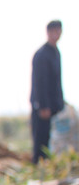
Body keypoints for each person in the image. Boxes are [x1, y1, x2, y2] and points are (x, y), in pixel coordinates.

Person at [30, 20, 64, 164]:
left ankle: (46, 165)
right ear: (48, 32)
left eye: (58, 31)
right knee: (41, 140)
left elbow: (55, 81)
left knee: (49, 139)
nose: (56, 34)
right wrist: (43, 105)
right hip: (43, 107)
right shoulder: (42, 54)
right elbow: (40, 82)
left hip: (53, 105)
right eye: (53, 31)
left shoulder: (55, 52)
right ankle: (39, 168)